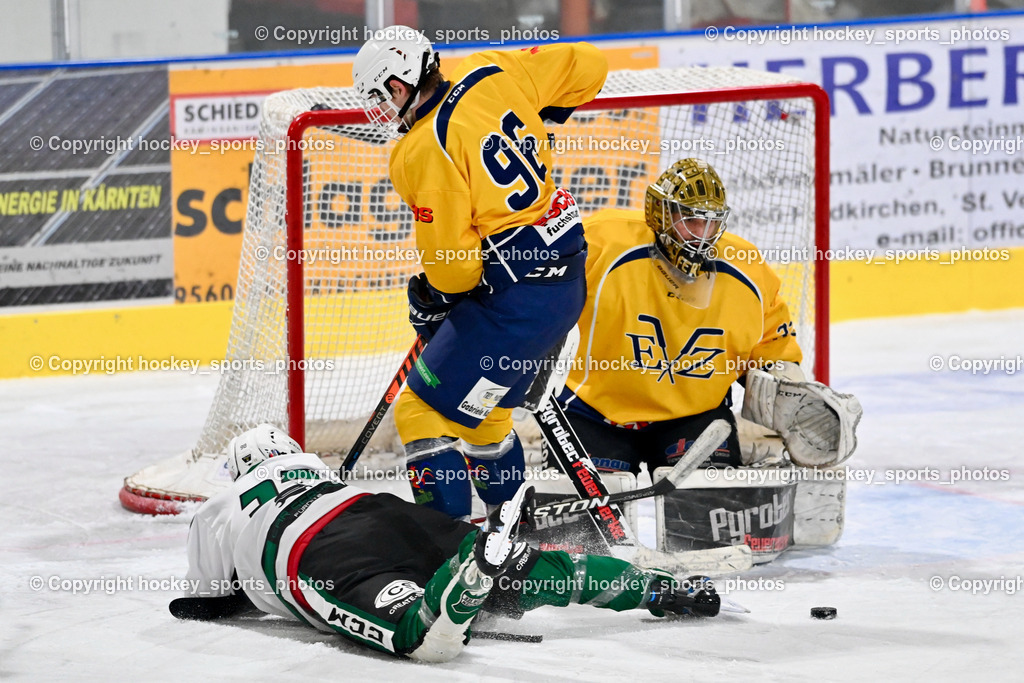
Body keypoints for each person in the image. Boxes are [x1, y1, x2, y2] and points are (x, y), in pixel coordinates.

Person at [177, 424, 720, 663]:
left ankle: (469, 577)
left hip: (316, 556)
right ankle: (660, 591)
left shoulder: (220, 505)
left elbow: (202, 601)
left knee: (422, 637)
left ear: (241, 470)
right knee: (547, 572)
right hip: (377, 509)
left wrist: (245, 592)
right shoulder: (321, 475)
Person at [350, 26, 608, 521]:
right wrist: (544, 118)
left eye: (381, 96)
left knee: (419, 411)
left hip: (515, 299)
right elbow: (590, 62)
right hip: (564, 283)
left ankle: (451, 550)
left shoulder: (420, 149)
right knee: (485, 415)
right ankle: (510, 533)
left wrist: (431, 296)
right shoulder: (490, 69)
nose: (382, 109)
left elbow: (454, 269)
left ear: (399, 86)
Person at [555, 158, 862, 476]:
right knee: (579, 524)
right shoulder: (602, 243)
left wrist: (791, 396)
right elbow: (540, 304)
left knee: (711, 516)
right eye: (689, 220)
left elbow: (771, 345)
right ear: (660, 213)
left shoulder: (746, 270)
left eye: (711, 222)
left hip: (695, 419)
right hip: (593, 413)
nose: (701, 235)